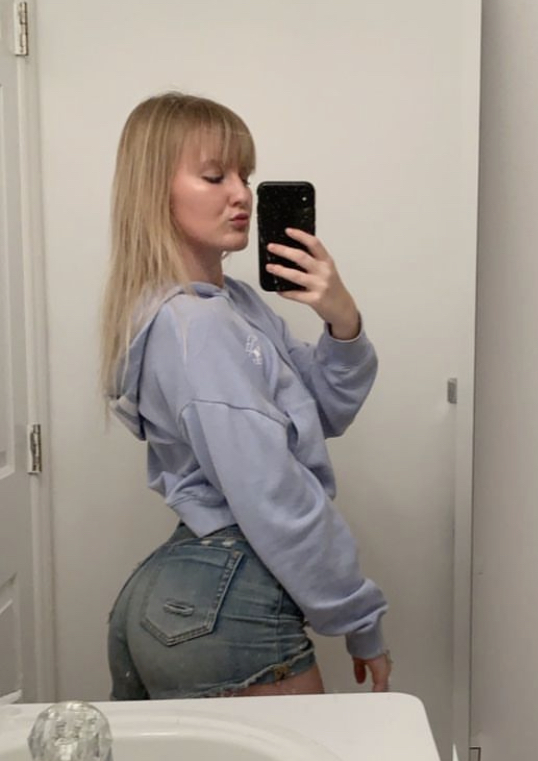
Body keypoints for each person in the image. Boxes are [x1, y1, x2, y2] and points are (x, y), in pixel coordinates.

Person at [101, 91, 390, 699]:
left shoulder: (234, 306)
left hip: (179, 588)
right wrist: (359, 617)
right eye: (215, 176)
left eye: (245, 176)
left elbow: (325, 408)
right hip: (226, 597)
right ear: (154, 192)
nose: (241, 195)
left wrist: (341, 319)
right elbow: (273, 494)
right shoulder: (195, 326)